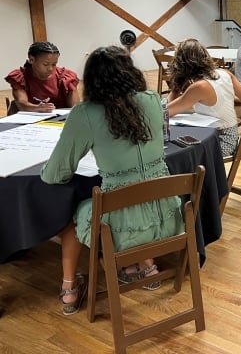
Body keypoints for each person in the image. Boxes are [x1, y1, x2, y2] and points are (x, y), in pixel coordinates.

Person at [41, 46, 184, 315]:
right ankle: (145, 266)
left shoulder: (86, 113)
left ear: (92, 79)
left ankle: (69, 288)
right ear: (131, 71)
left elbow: (56, 173)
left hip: (121, 228)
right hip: (168, 214)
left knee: (70, 214)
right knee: (130, 194)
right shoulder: (152, 100)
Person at [167, 38, 241, 156]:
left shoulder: (199, 87)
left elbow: (166, 112)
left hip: (219, 142)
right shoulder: (225, 73)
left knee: (178, 151)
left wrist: (176, 86)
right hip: (231, 136)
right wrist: (227, 98)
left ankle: (195, 174)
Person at [4, 41, 80, 112]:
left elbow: (75, 108)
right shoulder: (21, 77)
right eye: (45, 64)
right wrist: (38, 108)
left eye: (54, 64)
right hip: (31, 121)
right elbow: (22, 104)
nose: (50, 69)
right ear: (31, 60)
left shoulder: (65, 77)